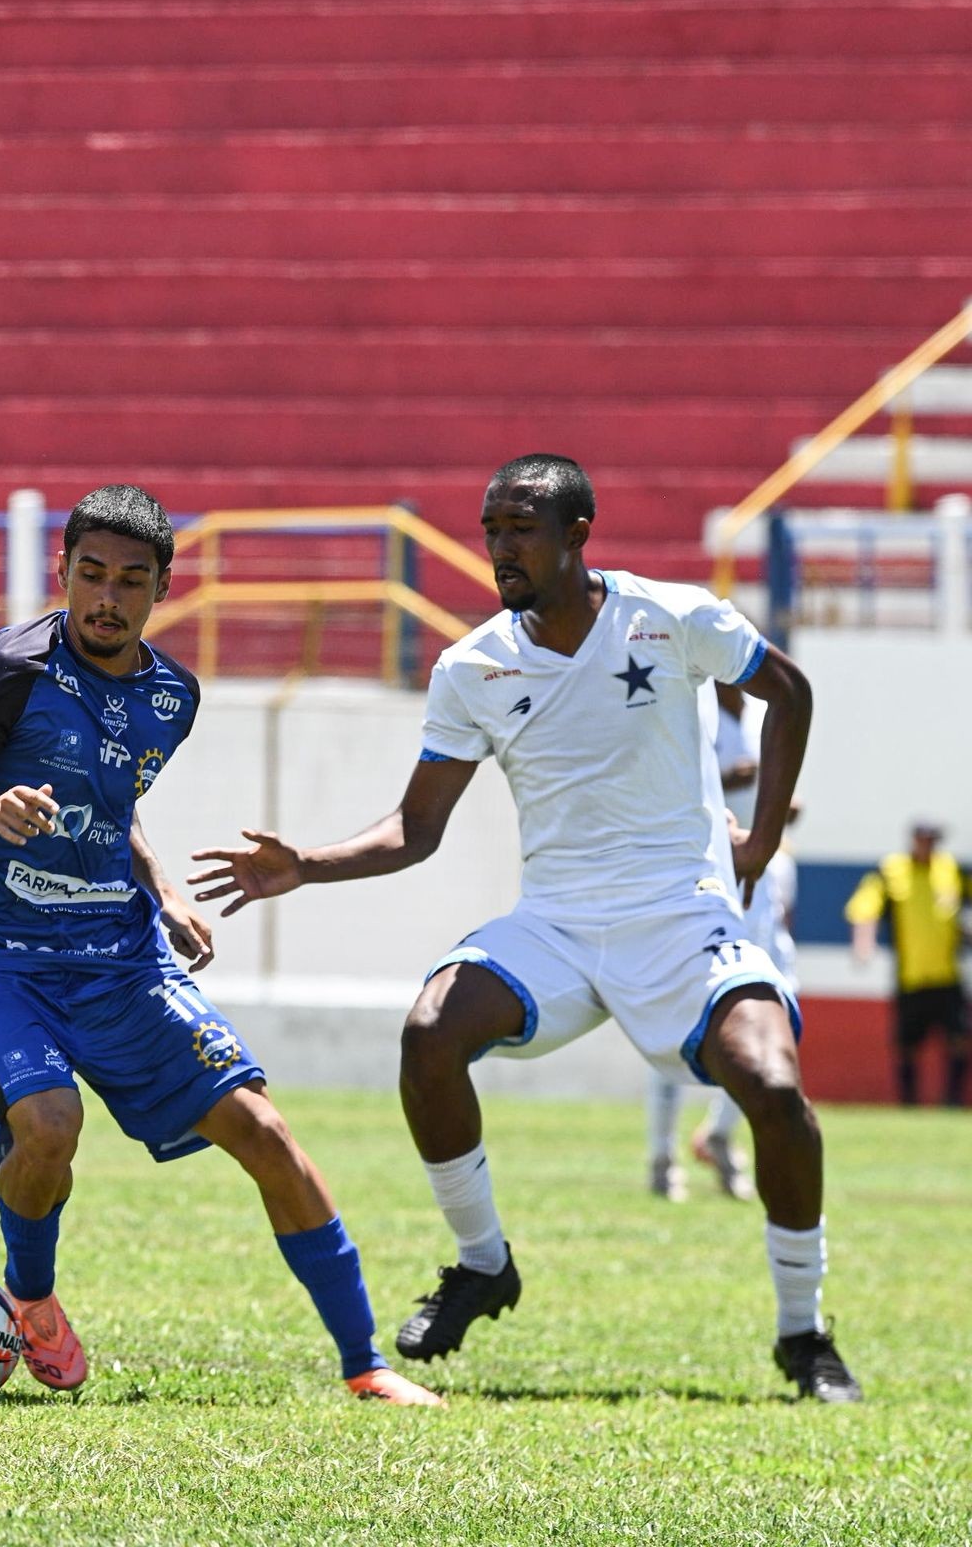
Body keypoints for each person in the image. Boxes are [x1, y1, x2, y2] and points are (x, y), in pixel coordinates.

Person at [190, 453, 862, 1403]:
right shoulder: (472, 667)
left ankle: (803, 1333)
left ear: (577, 534)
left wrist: (759, 840)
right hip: (556, 924)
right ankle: (483, 1264)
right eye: (491, 530)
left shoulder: (668, 616)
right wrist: (307, 865)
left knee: (776, 1090)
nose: (501, 548)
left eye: (521, 529)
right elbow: (416, 829)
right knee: (429, 1034)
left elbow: (788, 691)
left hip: (681, 918)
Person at [0, 484, 441, 1407]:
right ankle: (30, 1297)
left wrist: (165, 892)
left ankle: (366, 1365)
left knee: (265, 1132)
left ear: (162, 587)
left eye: (130, 581)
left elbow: (113, 806)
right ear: (63, 572)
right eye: (91, 574)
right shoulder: (7, 669)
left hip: (121, 954)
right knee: (49, 1130)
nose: (107, 598)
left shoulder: (172, 696)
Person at [646, 684, 801, 1203]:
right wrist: (731, 779)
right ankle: (662, 1156)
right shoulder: (689, 703)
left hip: (761, 871)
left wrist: (779, 804)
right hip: (705, 872)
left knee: (778, 1006)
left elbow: (771, 789)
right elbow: (670, 786)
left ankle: (719, 1132)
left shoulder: (762, 709)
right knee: (679, 1015)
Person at [845, 821, 970, 1107]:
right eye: (923, 840)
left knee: (959, 1039)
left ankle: (952, 1101)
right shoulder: (892, 871)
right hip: (911, 976)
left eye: (933, 840)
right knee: (907, 1044)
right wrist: (863, 942)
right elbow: (864, 906)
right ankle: (909, 1102)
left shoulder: (951, 870)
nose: (927, 846)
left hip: (948, 974)